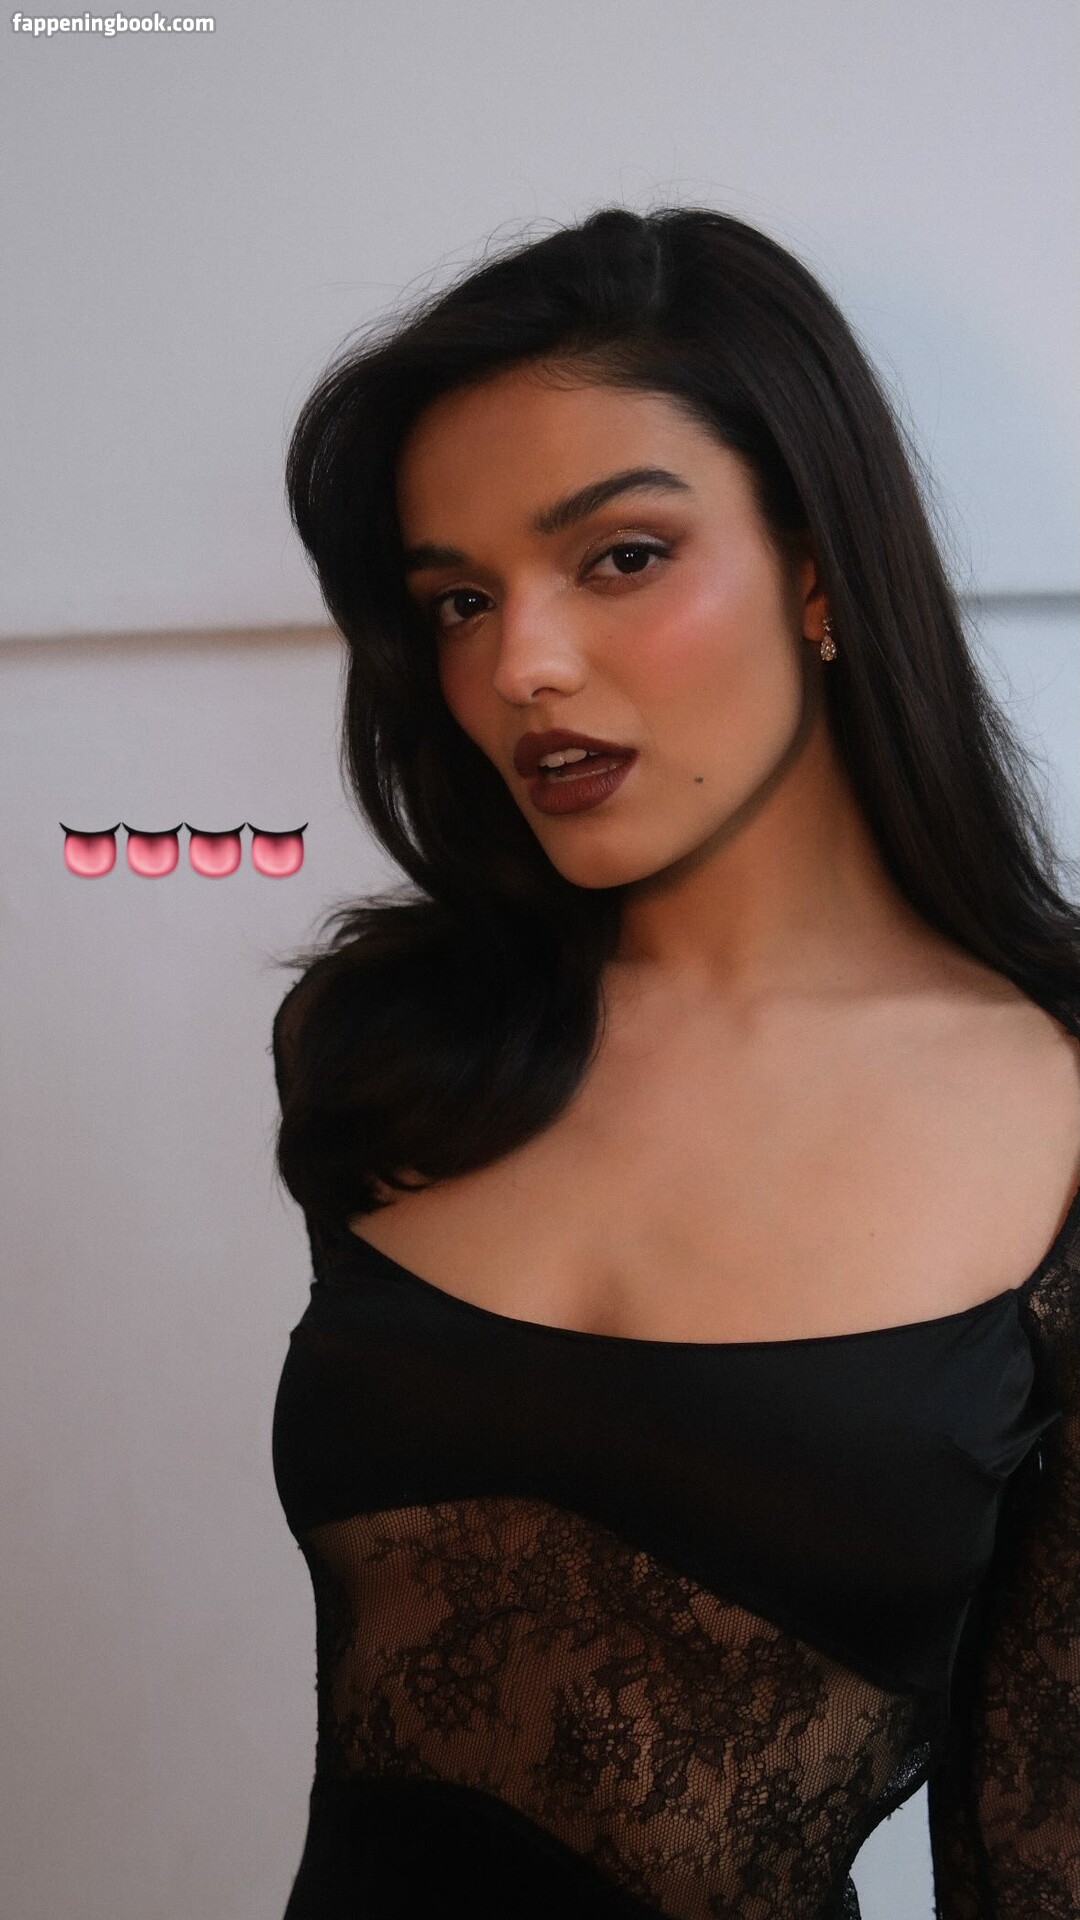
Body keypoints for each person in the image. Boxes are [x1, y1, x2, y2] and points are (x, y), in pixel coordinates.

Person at [268, 206, 1080, 1918]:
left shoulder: (1057, 1110)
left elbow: (1042, 1843)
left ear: (818, 569)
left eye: (621, 556)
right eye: (459, 600)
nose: (521, 665)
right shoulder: (389, 1045)